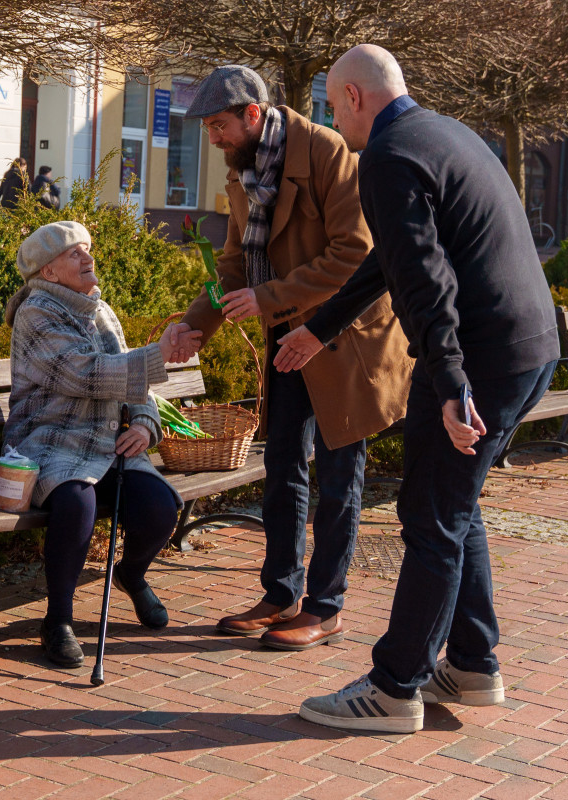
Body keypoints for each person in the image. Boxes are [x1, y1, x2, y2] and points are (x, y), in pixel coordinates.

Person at [274, 45, 560, 733]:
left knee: (430, 517)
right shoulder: (443, 133)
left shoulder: (387, 156)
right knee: (456, 507)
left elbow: (426, 283)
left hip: (480, 359)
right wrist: (322, 326)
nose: (334, 122)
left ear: (353, 98)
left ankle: (395, 686)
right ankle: (471, 662)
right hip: (529, 349)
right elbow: (393, 258)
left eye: (332, 106)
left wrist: (452, 382)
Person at [176, 66, 412, 651]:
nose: (214, 139)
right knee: (282, 467)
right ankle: (280, 593)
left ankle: (326, 606)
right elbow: (233, 264)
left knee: (338, 477)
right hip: (288, 339)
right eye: (209, 128)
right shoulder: (244, 169)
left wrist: (269, 297)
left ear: (252, 114)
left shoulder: (328, 151)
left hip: (345, 338)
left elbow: (356, 252)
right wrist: (191, 325)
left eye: (219, 126)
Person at [3, 220, 202, 669]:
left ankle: (130, 574)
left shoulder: (101, 309)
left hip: (109, 446)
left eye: (88, 249)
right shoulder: (36, 312)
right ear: (49, 272)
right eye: (75, 253)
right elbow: (85, 373)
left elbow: (136, 385)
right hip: (50, 443)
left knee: (159, 507)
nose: (88, 259)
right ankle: (58, 621)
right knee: (76, 505)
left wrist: (147, 424)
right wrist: (159, 353)